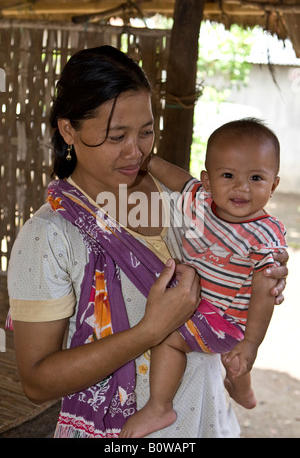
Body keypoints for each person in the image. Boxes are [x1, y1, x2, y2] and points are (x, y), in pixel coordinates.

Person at [6, 47, 288, 439]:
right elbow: (37, 382)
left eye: (146, 132)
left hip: (211, 422)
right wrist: (150, 329)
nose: (135, 151)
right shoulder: (50, 237)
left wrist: (262, 272)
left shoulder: (187, 200)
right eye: (116, 135)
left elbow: (236, 255)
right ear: (68, 130)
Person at [120, 118, 287, 438]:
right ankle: (241, 386)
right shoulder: (201, 203)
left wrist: (251, 343)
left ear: (273, 185)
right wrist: (151, 161)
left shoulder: (264, 235)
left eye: (256, 177)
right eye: (228, 176)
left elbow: (265, 292)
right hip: (208, 311)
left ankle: (159, 407)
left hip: (225, 320)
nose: (241, 187)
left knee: (167, 338)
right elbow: (180, 180)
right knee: (235, 358)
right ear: (208, 181)